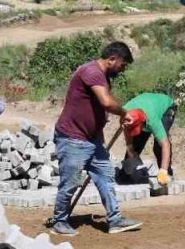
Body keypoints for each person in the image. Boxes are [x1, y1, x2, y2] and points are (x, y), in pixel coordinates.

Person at [48, 42, 143, 235]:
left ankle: (115, 220)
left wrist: (99, 140)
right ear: (112, 59)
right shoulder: (91, 71)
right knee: (70, 182)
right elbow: (106, 103)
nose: (122, 69)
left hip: (91, 140)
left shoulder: (103, 77)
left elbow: (98, 112)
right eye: (122, 64)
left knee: (106, 177)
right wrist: (123, 113)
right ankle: (59, 222)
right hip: (72, 138)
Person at [121, 92, 176, 186]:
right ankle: (126, 176)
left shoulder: (152, 121)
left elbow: (165, 144)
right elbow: (127, 132)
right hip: (145, 106)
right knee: (135, 146)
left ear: (142, 123)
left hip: (166, 108)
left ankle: (166, 174)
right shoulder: (124, 114)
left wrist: (163, 170)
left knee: (158, 148)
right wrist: (130, 150)